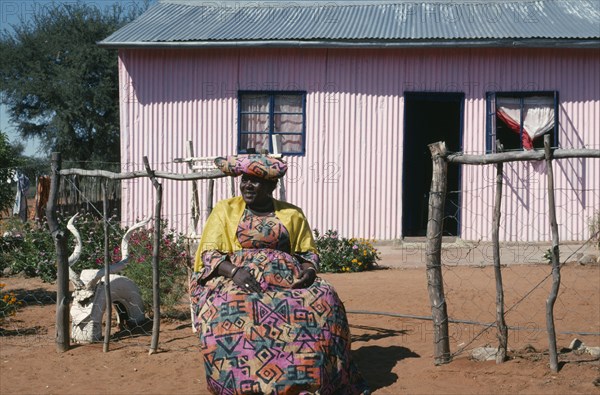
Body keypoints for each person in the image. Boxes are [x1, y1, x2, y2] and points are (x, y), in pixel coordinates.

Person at [190, 154, 370, 395]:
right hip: (239, 278)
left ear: (272, 186)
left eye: (256, 182)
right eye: (245, 180)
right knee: (230, 306)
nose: (248, 186)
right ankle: (243, 384)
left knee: (324, 299)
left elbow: (308, 253)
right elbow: (209, 254)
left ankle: (313, 380)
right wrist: (235, 272)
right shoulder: (226, 210)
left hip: (287, 278)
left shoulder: (292, 214)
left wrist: (308, 272)